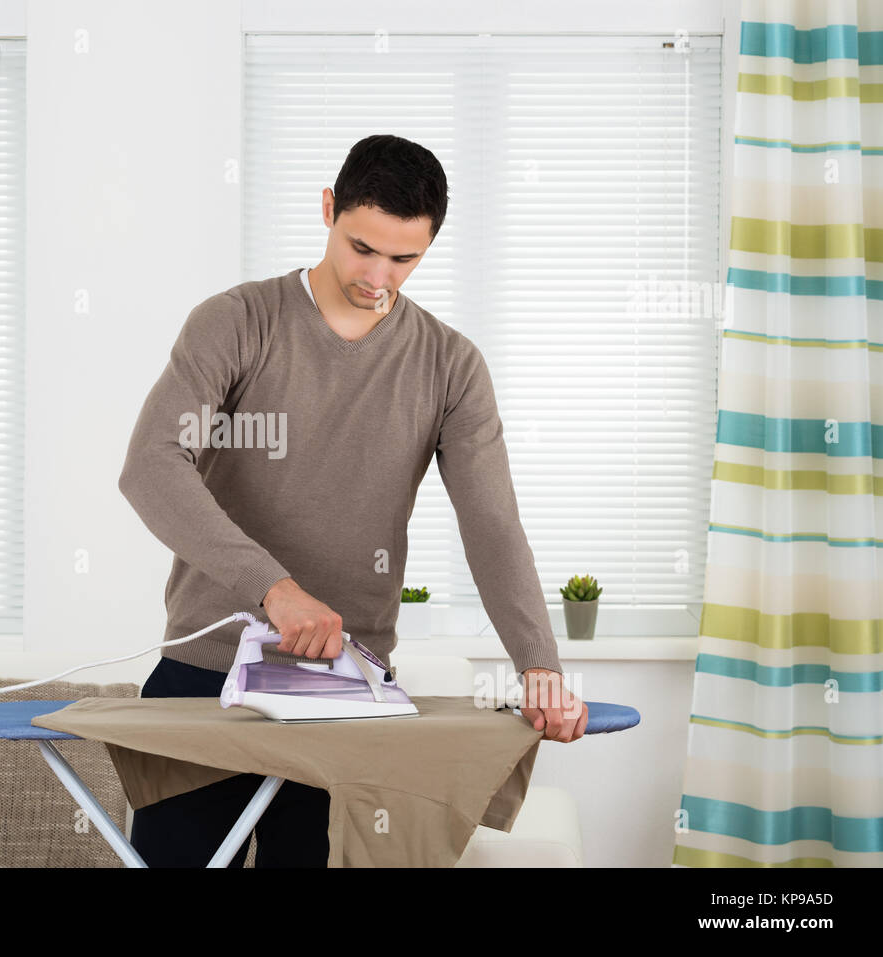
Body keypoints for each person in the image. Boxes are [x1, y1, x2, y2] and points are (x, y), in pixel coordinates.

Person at [117, 133, 588, 868]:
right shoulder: (237, 322)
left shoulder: (450, 365)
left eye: (405, 259)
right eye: (362, 248)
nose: (378, 276)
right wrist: (276, 591)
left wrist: (539, 662)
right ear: (330, 208)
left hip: (347, 692)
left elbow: (492, 524)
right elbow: (150, 466)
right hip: (204, 679)